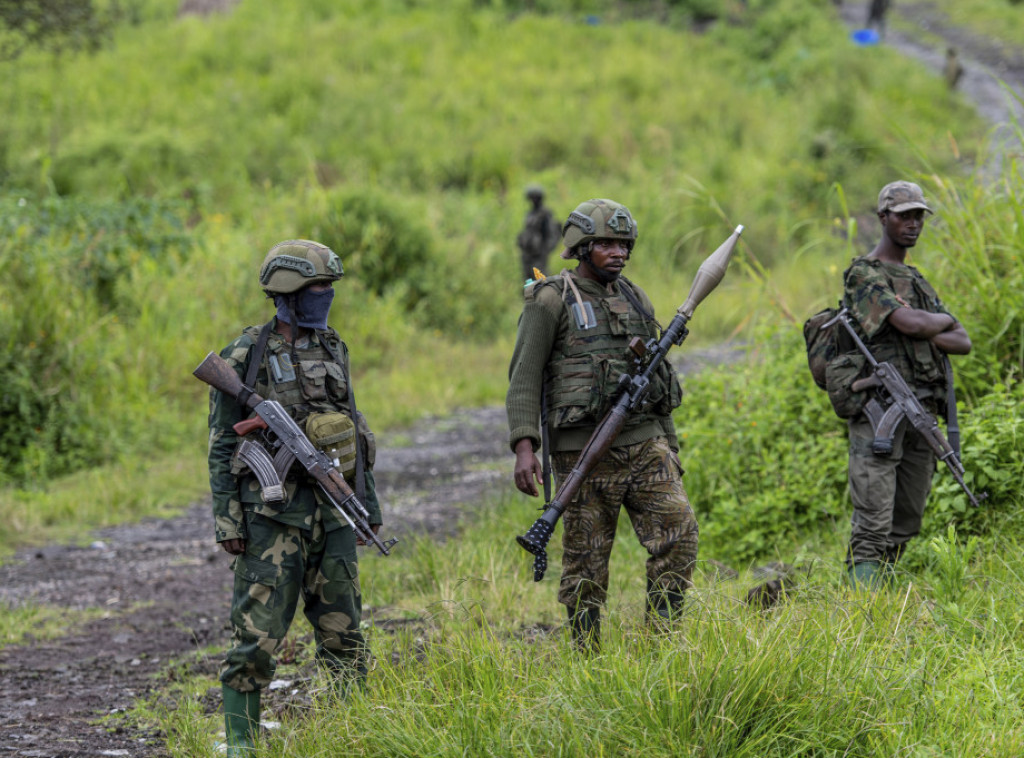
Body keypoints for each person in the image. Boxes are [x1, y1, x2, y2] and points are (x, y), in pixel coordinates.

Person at [206, 239, 382, 754]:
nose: (326, 296)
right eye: (317, 288)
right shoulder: (246, 352)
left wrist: (366, 505)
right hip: (272, 520)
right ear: (287, 291)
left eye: (329, 287)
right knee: (257, 638)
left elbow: (354, 428)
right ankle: (240, 742)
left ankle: (358, 728)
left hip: (333, 516)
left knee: (344, 631)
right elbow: (222, 442)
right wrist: (229, 522)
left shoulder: (333, 347)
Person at [506, 198, 698, 651]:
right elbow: (524, 376)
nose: (619, 253)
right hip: (582, 453)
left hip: (646, 443)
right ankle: (587, 655)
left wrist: (669, 444)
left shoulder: (634, 296)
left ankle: (663, 643)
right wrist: (524, 446)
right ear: (581, 246)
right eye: (607, 244)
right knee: (586, 563)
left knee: (680, 534)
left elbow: (655, 376)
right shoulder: (551, 300)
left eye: (625, 244)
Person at [842, 182, 971, 588]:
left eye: (919, 216)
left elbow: (963, 340)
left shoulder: (915, 280)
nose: (913, 224)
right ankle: (859, 608)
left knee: (907, 518)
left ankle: (885, 596)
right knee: (873, 518)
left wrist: (925, 327)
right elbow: (910, 323)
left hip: (922, 411)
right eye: (904, 215)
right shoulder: (864, 274)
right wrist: (932, 324)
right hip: (879, 408)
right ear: (883, 218)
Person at [516, 184, 561, 283]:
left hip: (539, 254)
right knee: (528, 281)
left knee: (540, 280)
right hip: (528, 253)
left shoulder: (545, 214)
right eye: (531, 198)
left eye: (535, 198)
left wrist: (545, 250)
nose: (533, 200)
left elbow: (552, 234)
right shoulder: (530, 213)